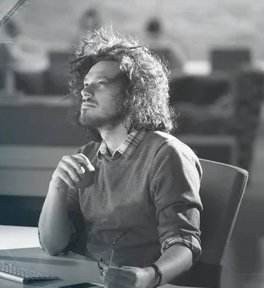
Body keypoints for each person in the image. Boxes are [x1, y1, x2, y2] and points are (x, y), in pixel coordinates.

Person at [38, 27, 203, 287]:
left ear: (134, 93)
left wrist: (148, 276)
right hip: (85, 280)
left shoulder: (166, 154)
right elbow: (53, 245)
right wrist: (56, 186)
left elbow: (184, 244)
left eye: (101, 83)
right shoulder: (86, 156)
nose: (85, 92)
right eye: (85, 85)